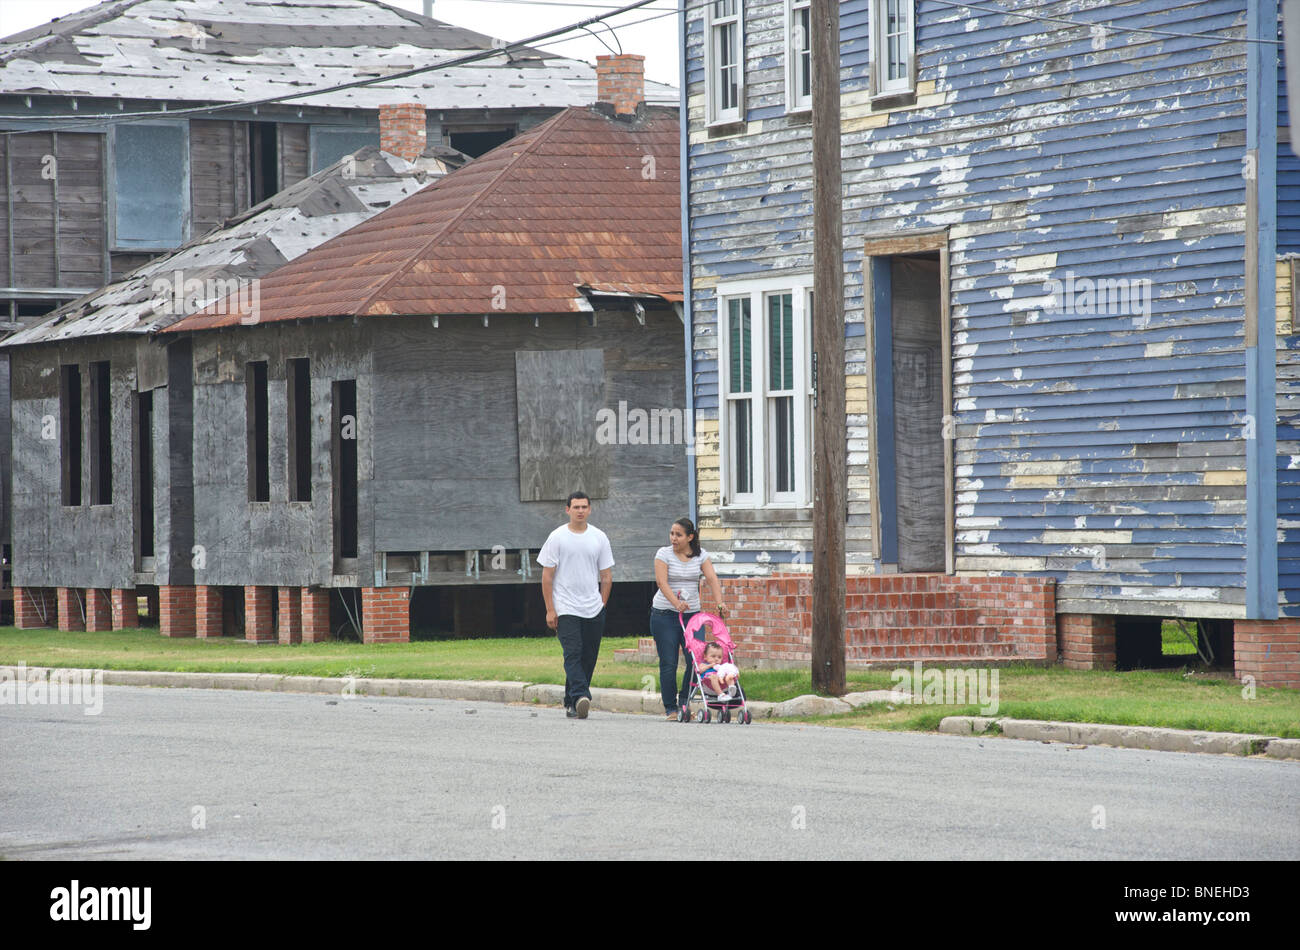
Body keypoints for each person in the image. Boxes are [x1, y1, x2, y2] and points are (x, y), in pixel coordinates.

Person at [539, 491, 614, 719]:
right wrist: (551, 609)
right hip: (566, 606)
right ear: (567, 510)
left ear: (589, 509)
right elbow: (547, 576)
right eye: (576, 507)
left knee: (588, 655)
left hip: (592, 606)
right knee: (573, 652)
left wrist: (602, 604)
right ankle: (582, 695)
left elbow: (607, 576)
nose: (580, 510)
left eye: (584, 507)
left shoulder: (599, 537)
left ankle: (573, 702)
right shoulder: (557, 537)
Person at [649, 517, 726, 719]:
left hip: (692, 617)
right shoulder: (663, 554)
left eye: (679, 535)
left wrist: (720, 603)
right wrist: (676, 603)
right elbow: (661, 582)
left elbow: (712, 579)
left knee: (695, 660)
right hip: (664, 614)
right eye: (672, 534)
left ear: (690, 537)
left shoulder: (701, 556)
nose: (674, 538)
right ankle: (670, 708)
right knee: (669, 661)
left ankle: (685, 702)